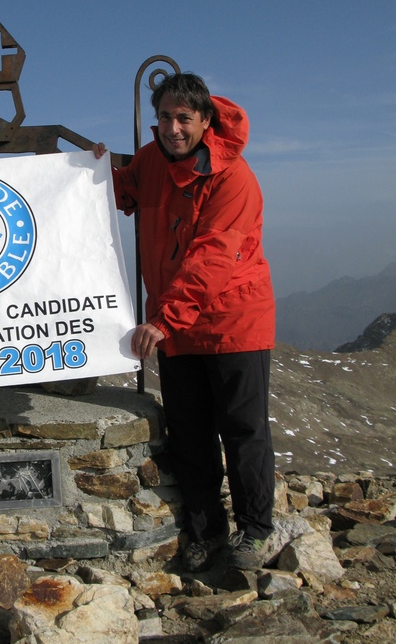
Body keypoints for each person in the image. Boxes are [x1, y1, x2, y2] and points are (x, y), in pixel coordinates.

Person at [94, 72, 276, 572]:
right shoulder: (152, 162)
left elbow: (215, 256)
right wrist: (89, 169)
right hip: (177, 327)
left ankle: (255, 532)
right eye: (164, 117)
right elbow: (122, 194)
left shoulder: (232, 176)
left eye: (184, 119)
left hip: (233, 322)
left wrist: (166, 318)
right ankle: (206, 533)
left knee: (242, 431)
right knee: (191, 433)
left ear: (205, 120)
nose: (172, 128)